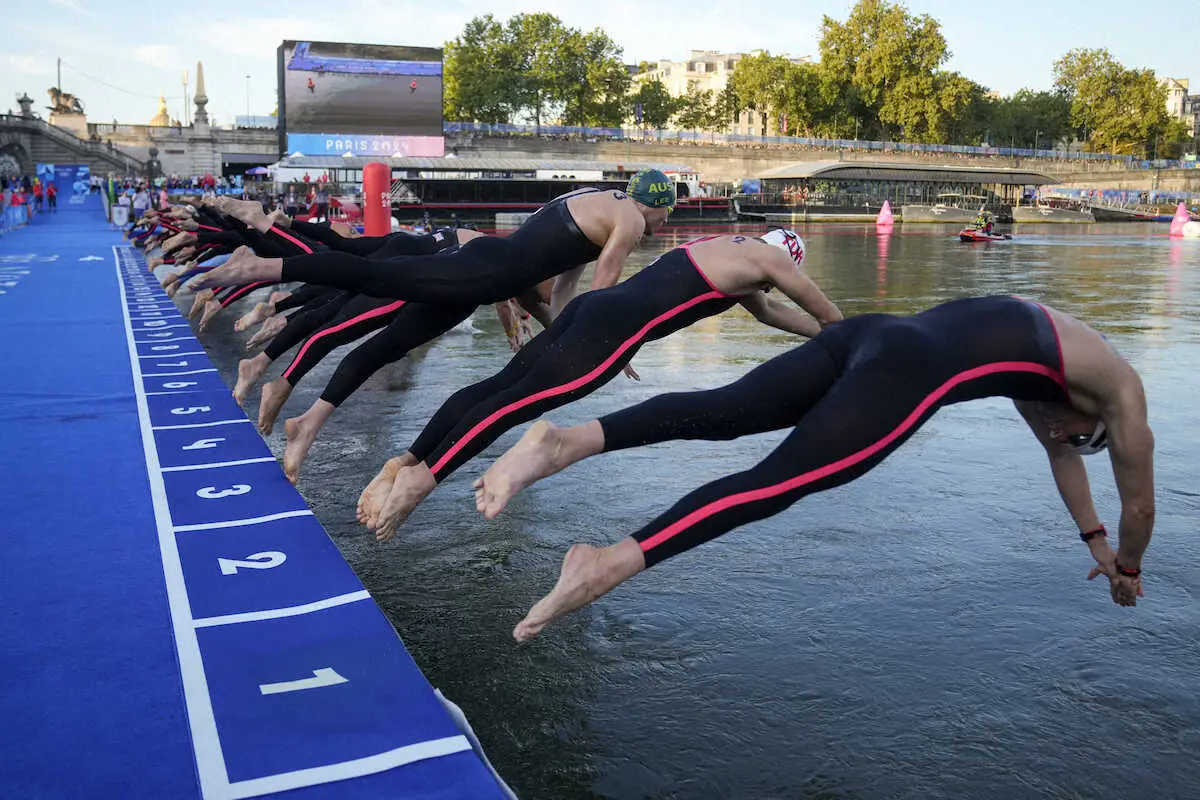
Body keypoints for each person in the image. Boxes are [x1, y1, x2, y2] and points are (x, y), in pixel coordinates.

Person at [469, 296, 1156, 641]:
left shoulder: (1061, 370)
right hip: (905, 368)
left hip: (870, 333)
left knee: (723, 411)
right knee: (778, 481)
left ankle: (561, 444)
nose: (1060, 434)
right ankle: (606, 564)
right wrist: (1129, 566)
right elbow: (1142, 507)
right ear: (1099, 421)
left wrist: (1095, 544)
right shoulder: (1121, 394)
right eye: (1078, 435)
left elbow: (1062, 459)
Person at [357, 229, 843, 541]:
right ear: (787, 260)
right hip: (613, 332)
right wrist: (848, 338)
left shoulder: (726, 247)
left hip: (592, 309)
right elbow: (825, 313)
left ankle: (405, 462)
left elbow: (770, 312)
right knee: (513, 405)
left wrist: (818, 333)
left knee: (497, 388)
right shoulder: (775, 260)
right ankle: (423, 482)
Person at [188, 169, 677, 318]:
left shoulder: (595, 202)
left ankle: (269, 255)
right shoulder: (631, 221)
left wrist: (563, 332)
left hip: (487, 261)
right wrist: (609, 340)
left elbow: (567, 290)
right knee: (371, 275)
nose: (664, 222)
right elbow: (605, 287)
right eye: (667, 212)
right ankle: (262, 265)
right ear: (656, 204)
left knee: (370, 267)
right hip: (481, 274)